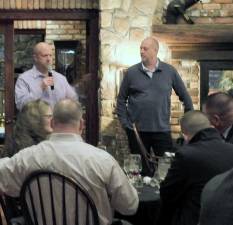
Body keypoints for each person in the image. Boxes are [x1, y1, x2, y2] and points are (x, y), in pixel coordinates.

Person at [0, 99, 139, 225]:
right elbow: (130, 206)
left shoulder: (28, 157)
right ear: (81, 124)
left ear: (52, 123)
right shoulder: (103, 160)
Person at [116, 36, 193, 176]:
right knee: (140, 171)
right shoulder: (132, 72)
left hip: (161, 130)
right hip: (137, 132)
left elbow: (185, 97)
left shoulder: (169, 71)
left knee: (167, 171)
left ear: (155, 50)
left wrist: (188, 123)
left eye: (145, 48)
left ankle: (163, 198)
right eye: (140, 48)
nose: (141, 51)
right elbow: (121, 99)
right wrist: (125, 123)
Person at [158, 110, 233, 225]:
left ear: (185, 135)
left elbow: (167, 193)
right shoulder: (231, 149)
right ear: (210, 126)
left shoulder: (186, 155)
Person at [15, 42, 78, 111]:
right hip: (36, 121)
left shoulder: (61, 78)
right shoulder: (24, 79)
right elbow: (21, 105)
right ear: (35, 58)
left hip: (58, 121)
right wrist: (40, 88)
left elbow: (74, 99)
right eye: (45, 56)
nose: (49, 59)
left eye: (50, 55)